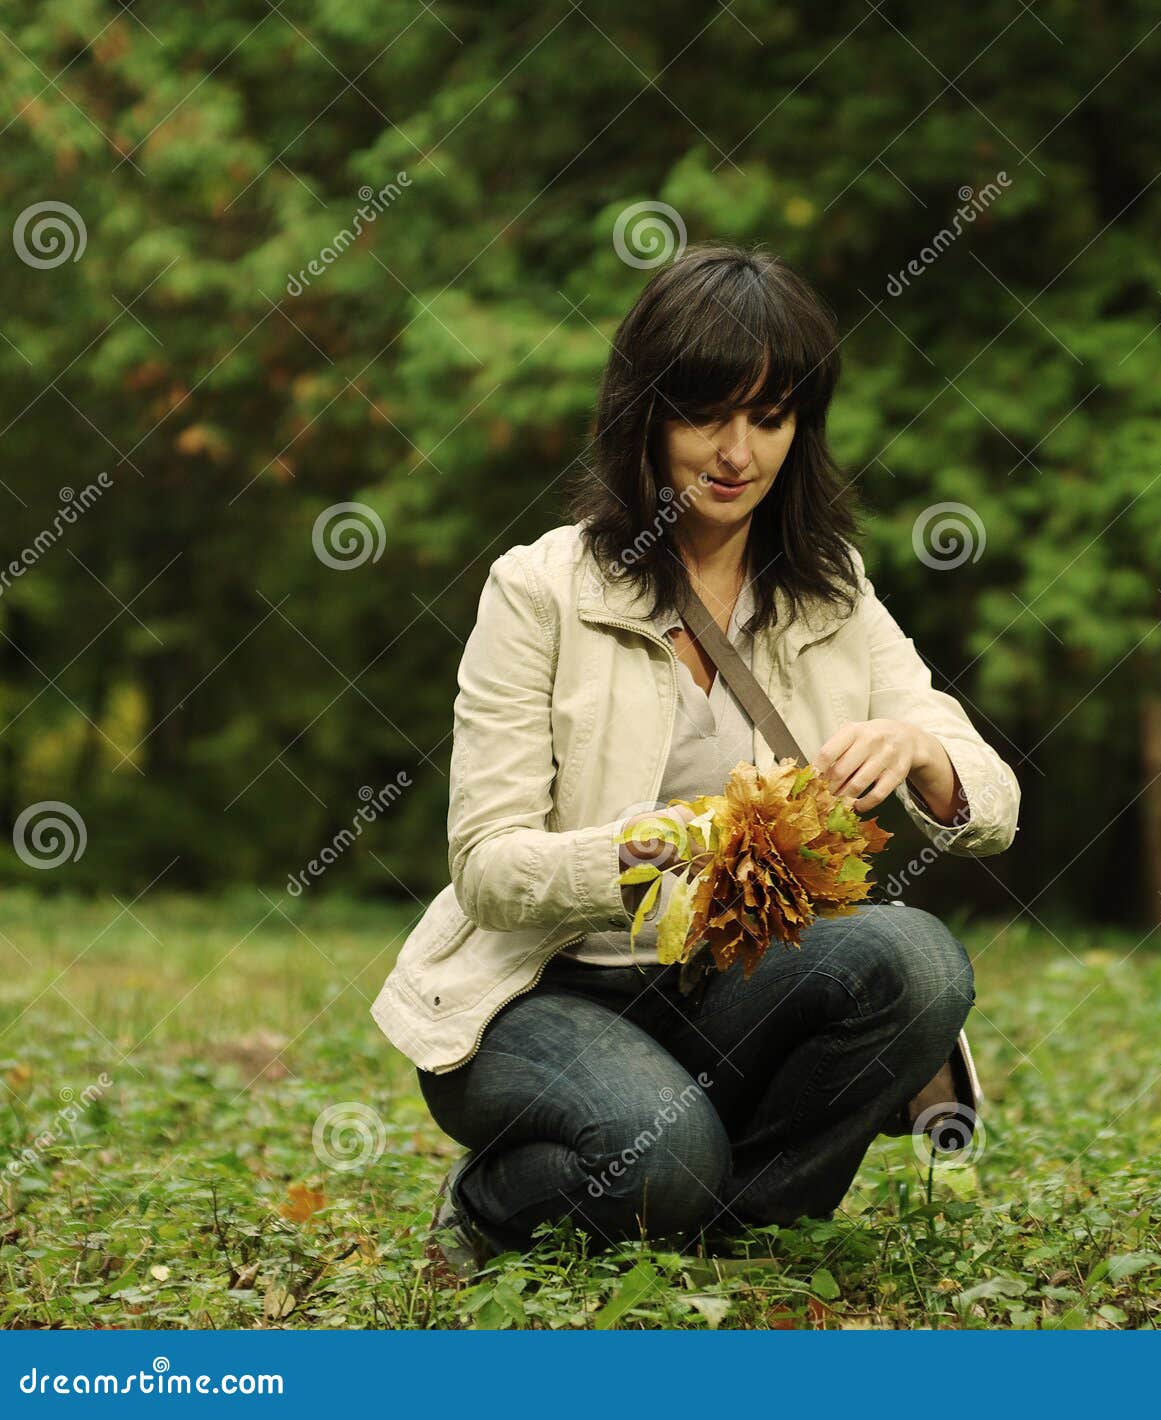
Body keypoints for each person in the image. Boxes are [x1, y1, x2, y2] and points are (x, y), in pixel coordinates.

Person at [370, 243, 1021, 1274]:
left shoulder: (827, 587)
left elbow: (990, 798)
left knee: (917, 959)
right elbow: (485, 869)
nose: (736, 452)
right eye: (704, 414)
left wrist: (920, 747)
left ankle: (718, 1232)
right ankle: (498, 1207)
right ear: (643, 413)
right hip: (544, 994)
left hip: (728, 991)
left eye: (769, 418)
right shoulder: (539, 589)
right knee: (660, 1153)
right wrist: (667, 850)